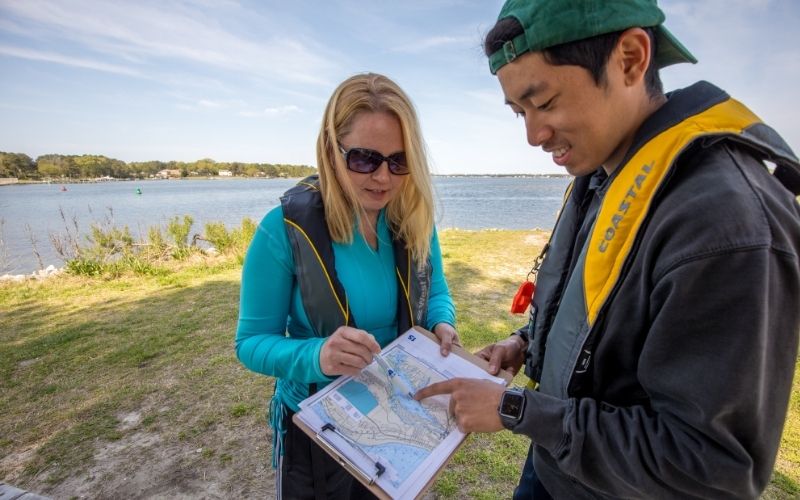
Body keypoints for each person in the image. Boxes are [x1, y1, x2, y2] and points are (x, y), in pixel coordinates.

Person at [415, 1, 800, 498]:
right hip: (557, 468)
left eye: (546, 102)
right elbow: (599, 313)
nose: (533, 135)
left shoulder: (729, 224)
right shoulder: (604, 171)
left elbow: (709, 466)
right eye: (519, 112)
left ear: (631, 58)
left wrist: (516, 409)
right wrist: (527, 343)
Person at [235, 72, 459, 499]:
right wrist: (318, 354)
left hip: (398, 416)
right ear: (330, 150)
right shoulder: (282, 230)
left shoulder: (413, 218)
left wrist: (443, 323)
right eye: (363, 158)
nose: (383, 178)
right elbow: (249, 343)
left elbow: (437, 294)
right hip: (320, 429)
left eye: (399, 160)